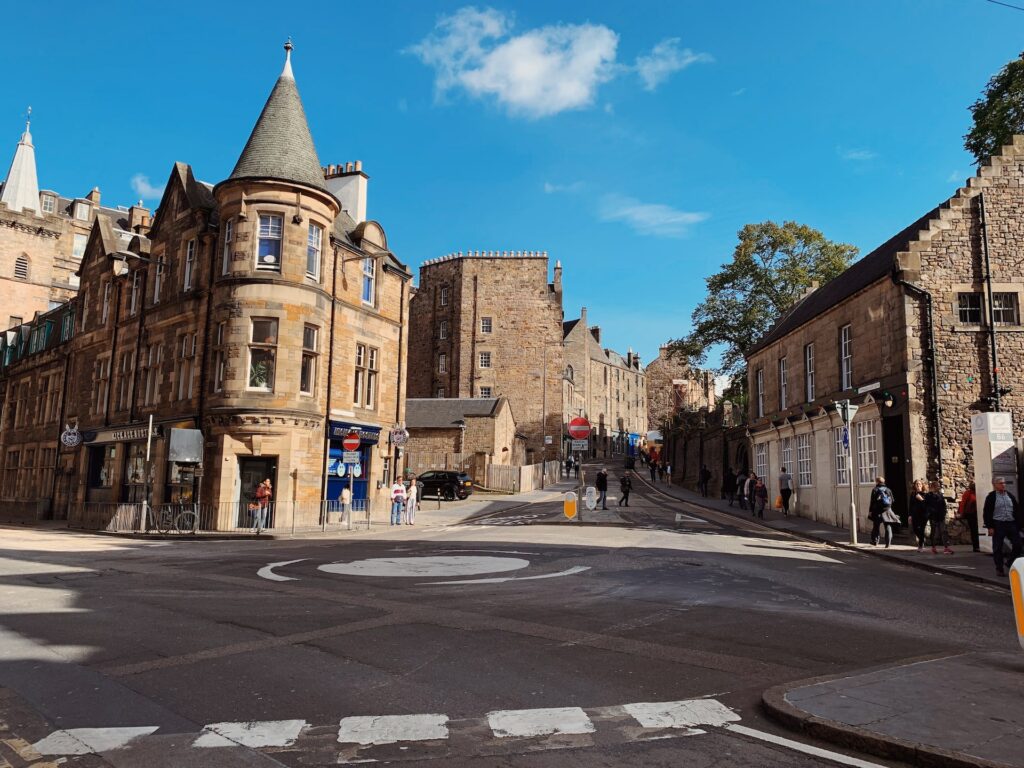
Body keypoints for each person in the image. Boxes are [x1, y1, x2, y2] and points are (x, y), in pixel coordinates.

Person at [982, 476, 1023, 577]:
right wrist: (990, 527)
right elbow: (987, 513)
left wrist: (1019, 524)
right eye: (1000, 483)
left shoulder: (1010, 496)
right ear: (995, 485)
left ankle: (1009, 562)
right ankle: (999, 568)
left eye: (1004, 483)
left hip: (1011, 523)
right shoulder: (991, 497)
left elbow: (1016, 510)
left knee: (1018, 545)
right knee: (998, 547)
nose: (1003, 485)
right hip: (998, 523)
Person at [925, 480, 954, 555]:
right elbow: (927, 506)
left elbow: (943, 505)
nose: (938, 487)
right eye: (936, 486)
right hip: (933, 517)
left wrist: (944, 513)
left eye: (938, 486)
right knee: (934, 533)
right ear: (932, 487)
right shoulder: (928, 495)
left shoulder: (940, 495)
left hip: (941, 516)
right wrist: (931, 513)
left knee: (943, 531)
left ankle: (946, 548)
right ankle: (933, 547)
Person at [868, 476, 896, 548]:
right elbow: (892, 500)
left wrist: (870, 511)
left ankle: (875, 541)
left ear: (877, 482)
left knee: (876, 526)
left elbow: (872, 501)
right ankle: (888, 544)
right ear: (883, 482)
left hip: (877, 511)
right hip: (887, 510)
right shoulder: (888, 490)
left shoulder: (875, 489)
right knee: (888, 526)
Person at [956, 481, 981, 553]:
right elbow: (963, 503)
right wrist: (961, 513)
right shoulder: (968, 493)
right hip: (971, 514)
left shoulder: (978, 492)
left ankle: (979, 545)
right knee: (974, 530)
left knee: (977, 530)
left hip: (978, 513)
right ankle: (976, 546)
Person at [908, 479, 928, 551]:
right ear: (915, 486)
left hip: (923, 515)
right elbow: (910, 505)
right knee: (915, 529)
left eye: (919, 484)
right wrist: (910, 516)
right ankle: (922, 539)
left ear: (922, 485)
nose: (918, 485)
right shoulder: (913, 494)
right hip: (915, 514)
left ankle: (920, 545)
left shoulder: (925, 494)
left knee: (922, 529)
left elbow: (927, 505)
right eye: (917, 484)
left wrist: (921, 499)